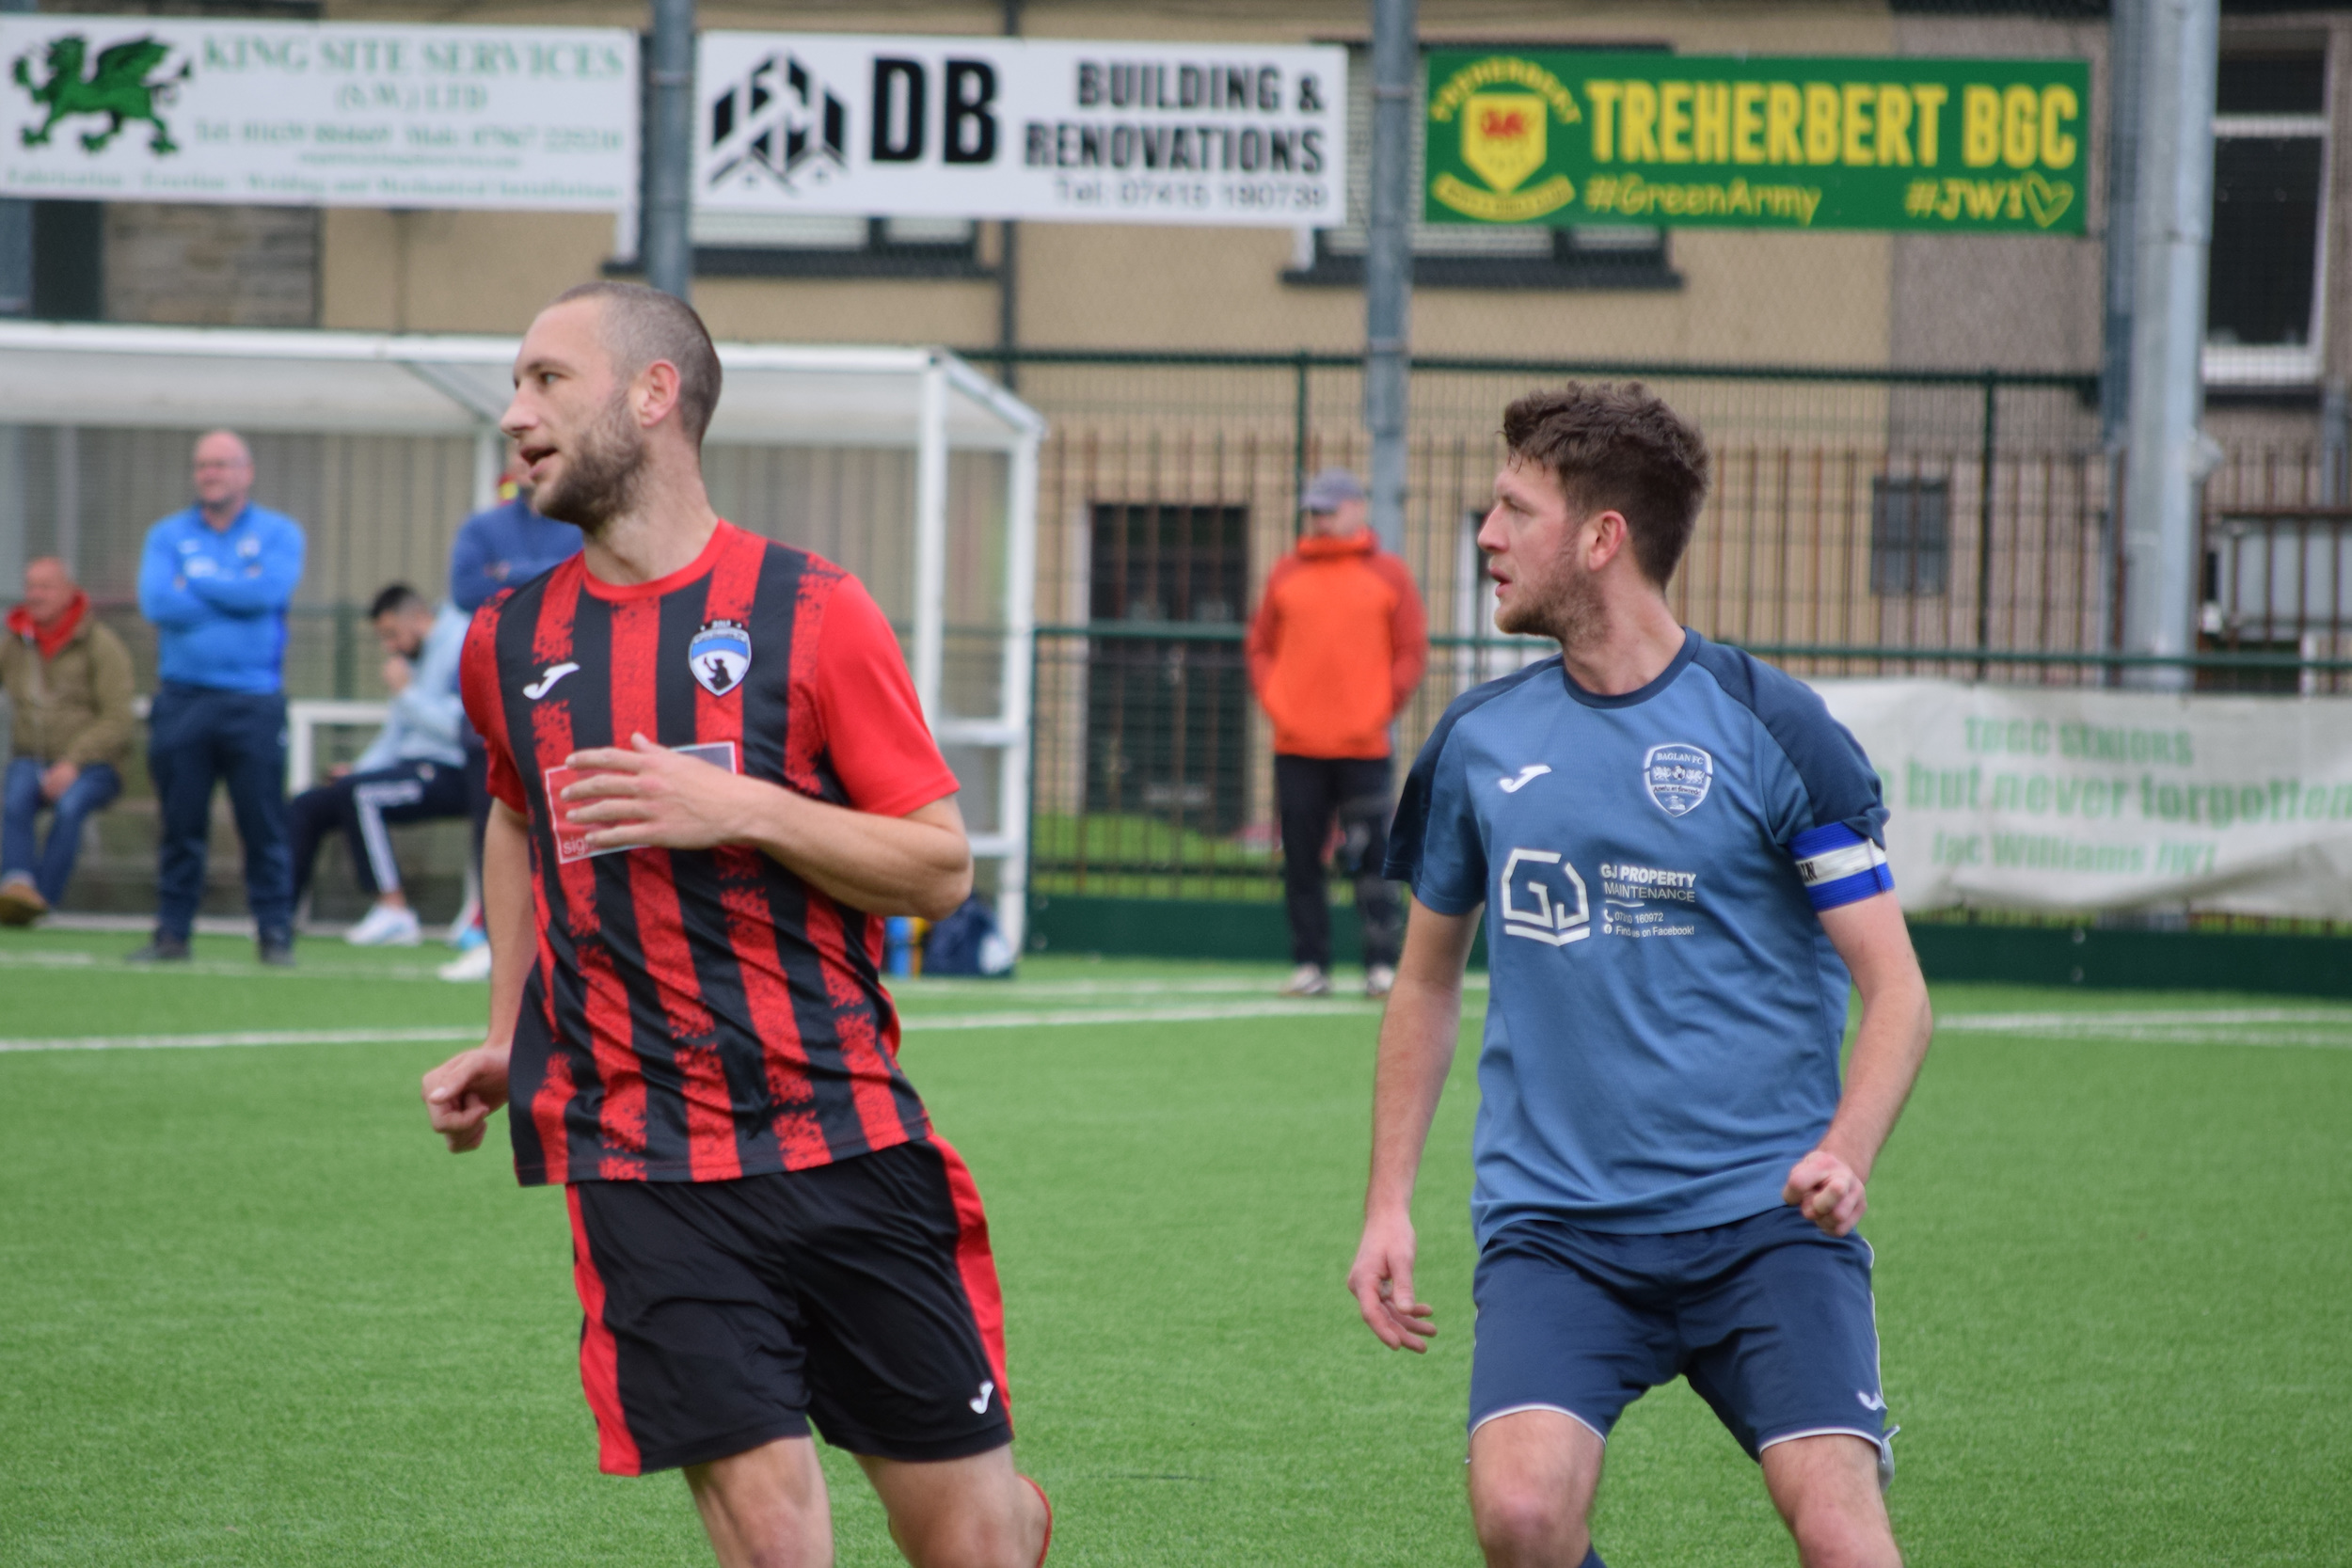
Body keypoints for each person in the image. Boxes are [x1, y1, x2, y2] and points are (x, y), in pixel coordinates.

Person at [419, 282, 1052, 1568]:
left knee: (975, 1542)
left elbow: (939, 868)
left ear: (654, 395)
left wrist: (743, 806)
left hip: (844, 1133)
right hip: (640, 1152)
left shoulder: (812, 609)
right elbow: (517, 814)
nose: (515, 412)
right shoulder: (507, 639)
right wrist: (506, 1028)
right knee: (774, 1540)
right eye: (516, 383)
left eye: (547, 379)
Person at [1347, 384, 1933, 1568]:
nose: (1486, 535)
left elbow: (1899, 992)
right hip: (1558, 1231)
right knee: (1521, 1516)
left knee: (1841, 1533)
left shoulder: (1776, 727)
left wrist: (1845, 1153)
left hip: (1765, 1224)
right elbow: (1424, 982)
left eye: (1515, 510)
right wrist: (1387, 1201)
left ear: (1601, 537)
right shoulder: (1477, 740)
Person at [1245, 467, 1427, 1000]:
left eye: (1329, 509)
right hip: (1296, 745)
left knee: (1374, 860)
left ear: (1357, 508)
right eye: (1314, 511)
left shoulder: (1390, 575)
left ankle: (1380, 967)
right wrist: (1280, 705)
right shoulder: (1286, 573)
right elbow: (1260, 646)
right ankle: (1311, 965)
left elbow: (1410, 650)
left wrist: (1378, 709)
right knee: (1301, 859)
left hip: (1364, 747)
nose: (1320, 519)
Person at [130, 430, 306, 966]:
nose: (211, 473)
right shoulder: (167, 535)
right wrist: (235, 588)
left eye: (222, 464)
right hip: (183, 701)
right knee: (180, 824)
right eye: (203, 465)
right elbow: (158, 602)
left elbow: (268, 593)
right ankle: (172, 934)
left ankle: (274, 933)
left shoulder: (279, 532)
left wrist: (199, 582)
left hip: (254, 702)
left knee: (263, 824)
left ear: (246, 472)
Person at [438, 447, 580, 981]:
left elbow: (583, 582)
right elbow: (465, 591)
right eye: (515, 449)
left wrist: (508, 575)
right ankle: (491, 937)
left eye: (535, 447)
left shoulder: (582, 525)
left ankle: (562, 935)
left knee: (566, 822)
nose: (525, 457)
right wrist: (544, 578)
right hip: (494, 698)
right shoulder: (482, 527)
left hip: (567, 700)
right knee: (494, 824)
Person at [287, 583, 469, 946]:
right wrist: (359, 770)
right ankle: (278, 915)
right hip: (410, 769)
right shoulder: (412, 659)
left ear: (418, 617)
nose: (389, 646)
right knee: (309, 804)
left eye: (392, 634)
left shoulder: (462, 643)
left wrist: (407, 693)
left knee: (362, 795)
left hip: (454, 771)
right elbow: (394, 735)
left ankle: (394, 910)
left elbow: (460, 729)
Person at [0, 557, 134, 924]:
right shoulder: (16, 643)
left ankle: (42, 900)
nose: (35, 595)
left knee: (70, 806)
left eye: (45, 587)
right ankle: (16, 886)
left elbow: (119, 718)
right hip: (31, 758)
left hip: (95, 766)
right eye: (30, 587)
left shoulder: (100, 644)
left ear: (68, 592)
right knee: (15, 797)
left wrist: (73, 762)